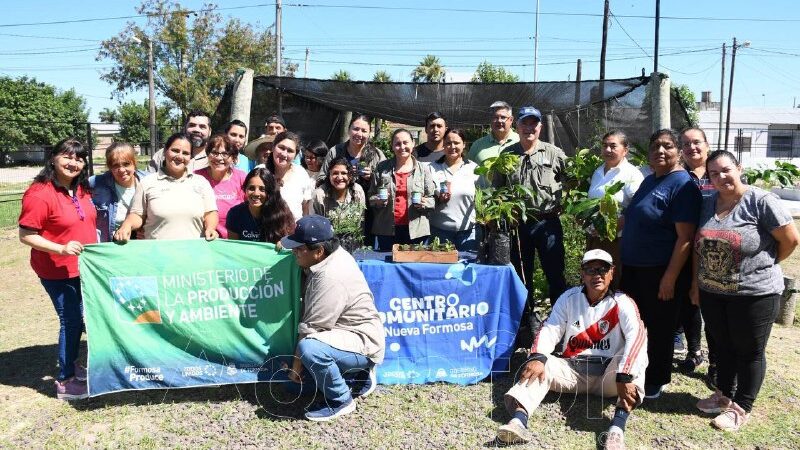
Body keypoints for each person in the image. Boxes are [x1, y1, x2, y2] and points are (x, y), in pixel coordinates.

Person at [691, 150, 799, 431]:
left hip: (755, 294)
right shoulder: (707, 202)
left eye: (726, 170)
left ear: (738, 168)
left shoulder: (761, 201)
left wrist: (762, 266)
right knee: (723, 346)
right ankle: (724, 396)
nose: (720, 177)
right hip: (714, 292)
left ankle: (742, 406)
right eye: (713, 173)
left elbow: (790, 240)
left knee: (750, 351)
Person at [496, 249, 647, 449]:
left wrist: (624, 376)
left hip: (609, 377)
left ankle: (617, 428)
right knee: (542, 362)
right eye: (591, 270)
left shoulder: (623, 302)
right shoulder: (569, 298)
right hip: (574, 371)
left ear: (612, 273)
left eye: (603, 269)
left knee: (636, 357)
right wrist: (537, 357)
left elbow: (636, 337)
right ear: (582, 274)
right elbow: (550, 328)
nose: (597, 275)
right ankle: (518, 421)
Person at [620, 129, 702, 399]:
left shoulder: (682, 185)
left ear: (679, 151)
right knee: (636, 322)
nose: (660, 151)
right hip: (634, 267)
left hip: (660, 270)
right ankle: (637, 369)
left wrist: (670, 277)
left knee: (660, 326)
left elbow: (686, 238)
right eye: (655, 147)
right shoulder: (651, 180)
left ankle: (656, 378)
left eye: (667, 146)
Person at [281, 215, 385, 421]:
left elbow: (312, 329)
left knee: (309, 350)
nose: (294, 252)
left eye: (298, 248)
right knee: (293, 387)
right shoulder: (333, 254)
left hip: (361, 341)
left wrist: (295, 370)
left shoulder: (330, 276)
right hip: (351, 334)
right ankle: (359, 378)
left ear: (318, 251)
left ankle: (340, 400)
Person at [18, 138, 97, 400]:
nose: (73, 163)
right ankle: (65, 380)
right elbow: (26, 235)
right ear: (53, 158)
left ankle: (72, 363)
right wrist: (60, 249)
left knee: (81, 319)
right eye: (67, 156)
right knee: (71, 321)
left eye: (79, 158)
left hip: (84, 269)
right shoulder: (40, 193)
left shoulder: (81, 189)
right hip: (57, 271)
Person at [495, 106, 568, 307]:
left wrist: (565, 202)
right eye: (524, 123)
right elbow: (497, 189)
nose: (529, 128)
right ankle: (526, 321)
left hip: (548, 223)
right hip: (519, 225)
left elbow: (573, 179)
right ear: (516, 126)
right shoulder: (507, 155)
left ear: (540, 127)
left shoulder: (554, 153)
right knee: (521, 274)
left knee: (555, 272)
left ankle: (559, 318)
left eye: (533, 123)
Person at [115, 132, 219, 242]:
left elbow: (210, 212)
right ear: (165, 151)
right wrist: (127, 225)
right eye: (175, 150)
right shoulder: (147, 182)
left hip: (193, 254)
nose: (179, 156)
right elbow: (137, 215)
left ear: (190, 157)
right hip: (157, 254)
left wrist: (210, 228)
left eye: (185, 153)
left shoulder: (201, 182)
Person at [674, 127, 714, 374]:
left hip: (715, 250)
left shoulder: (719, 170)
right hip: (686, 246)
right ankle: (694, 351)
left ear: (707, 144)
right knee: (690, 300)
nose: (692, 148)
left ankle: (718, 361)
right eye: (686, 144)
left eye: (696, 142)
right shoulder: (680, 176)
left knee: (714, 306)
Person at [586, 130, 644, 287]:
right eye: (604, 146)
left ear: (625, 150)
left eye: (613, 146)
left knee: (614, 280)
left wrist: (614, 226)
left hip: (617, 240)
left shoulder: (632, 174)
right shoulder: (598, 171)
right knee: (595, 280)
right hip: (594, 237)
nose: (607, 150)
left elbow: (637, 207)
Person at [319, 114, 386, 245]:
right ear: (349, 130)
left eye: (364, 131)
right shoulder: (336, 151)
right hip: (337, 210)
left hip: (369, 212)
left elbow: (386, 183)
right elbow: (321, 178)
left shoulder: (377, 155)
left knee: (365, 247)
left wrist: (372, 177)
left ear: (369, 133)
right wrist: (340, 177)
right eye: (356, 129)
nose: (359, 134)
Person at [368, 128, 436, 251]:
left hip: (416, 230)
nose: (402, 147)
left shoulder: (423, 169)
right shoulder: (382, 168)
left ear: (413, 144)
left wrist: (425, 203)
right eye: (398, 144)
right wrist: (376, 201)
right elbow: (371, 196)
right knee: (388, 265)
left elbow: (432, 198)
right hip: (387, 229)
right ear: (392, 147)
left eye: (406, 142)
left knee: (414, 267)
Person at [428, 128, 480, 251]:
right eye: (448, 143)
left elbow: (482, 199)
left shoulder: (474, 169)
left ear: (464, 145)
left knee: (466, 268)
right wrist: (437, 199)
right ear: (443, 145)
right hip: (439, 233)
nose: (452, 146)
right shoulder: (431, 168)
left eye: (456, 143)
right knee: (441, 269)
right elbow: (425, 196)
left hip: (468, 234)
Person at [89, 142, 147, 242]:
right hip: (111, 241)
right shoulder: (96, 183)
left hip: (142, 240)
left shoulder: (149, 181)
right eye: (115, 165)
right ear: (109, 167)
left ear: (134, 162)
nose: (121, 170)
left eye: (126, 164)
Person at [194, 134, 246, 239]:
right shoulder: (196, 177)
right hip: (204, 239)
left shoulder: (241, 178)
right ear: (207, 154)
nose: (219, 158)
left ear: (233, 157)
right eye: (214, 153)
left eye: (225, 154)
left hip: (235, 240)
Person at [226, 168, 295, 243]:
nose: (256, 193)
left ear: (270, 191)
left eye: (262, 189)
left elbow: (292, 241)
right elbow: (233, 247)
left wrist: (285, 243)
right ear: (245, 189)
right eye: (251, 188)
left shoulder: (282, 213)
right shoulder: (235, 214)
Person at [267, 131, 313, 221]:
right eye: (281, 148)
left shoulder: (301, 174)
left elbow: (305, 208)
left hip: (293, 232)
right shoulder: (261, 172)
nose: (284, 154)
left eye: (290, 151)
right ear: (273, 147)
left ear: (296, 155)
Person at [467, 101, 519, 167]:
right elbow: (467, 170)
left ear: (511, 120)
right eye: (495, 117)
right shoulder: (477, 145)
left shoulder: (521, 141)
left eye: (503, 117)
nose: (499, 121)